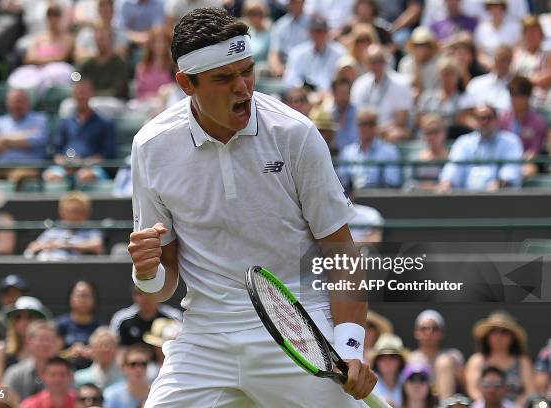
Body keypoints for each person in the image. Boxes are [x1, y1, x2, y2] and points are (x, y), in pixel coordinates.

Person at [128, 7, 377, 406]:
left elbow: (341, 252)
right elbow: (163, 285)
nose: (242, 87)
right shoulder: (151, 146)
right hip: (206, 336)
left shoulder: (296, 133)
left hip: (303, 330)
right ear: (185, 84)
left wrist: (349, 346)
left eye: (247, 70)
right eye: (224, 78)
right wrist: (146, 272)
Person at [44, 80, 116, 187]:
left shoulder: (105, 123)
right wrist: (66, 164)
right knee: (50, 176)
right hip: (66, 167)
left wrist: (83, 163)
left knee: (84, 176)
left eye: (84, 92)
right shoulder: (65, 122)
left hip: (92, 168)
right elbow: (56, 151)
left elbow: (107, 154)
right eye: (78, 92)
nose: (81, 96)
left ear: (92, 95)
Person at [438, 105, 523, 192]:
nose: (484, 122)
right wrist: (446, 182)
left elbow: (510, 172)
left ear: (496, 119)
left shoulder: (510, 141)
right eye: (480, 118)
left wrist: (499, 184)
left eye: (488, 118)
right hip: (465, 199)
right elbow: (453, 168)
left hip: (499, 199)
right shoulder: (463, 142)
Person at [464, 312, 535, 406]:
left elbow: (530, 391)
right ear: (487, 336)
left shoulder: (523, 361)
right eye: (493, 331)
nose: (498, 336)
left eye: (504, 332)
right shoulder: (477, 360)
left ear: (513, 337)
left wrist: (515, 406)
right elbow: (472, 389)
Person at [7, 4, 74, 98]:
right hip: (36, 70)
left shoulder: (68, 38)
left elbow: (61, 57)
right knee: (17, 77)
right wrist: (50, 58)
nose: (53, 19)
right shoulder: (39, 38)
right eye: (50, 15)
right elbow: (28, 58)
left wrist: (39, 59)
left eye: (56, 15)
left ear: (61, 18)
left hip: (57, 71)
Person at [350, 44, 413, 142]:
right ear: (366, 63)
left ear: (386, 62)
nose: (376, 65)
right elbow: (357, 115)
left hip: (389, 133)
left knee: (396, 134)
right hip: (365, 130)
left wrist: (378, 131)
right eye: (372, 61)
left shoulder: (401, 83)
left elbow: (401, 121)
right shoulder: (360, 84)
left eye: (379, 61)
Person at [25, 192, 104, 260]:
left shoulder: (91, 229)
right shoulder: (55, 229)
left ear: (87, 213)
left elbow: (97, 246)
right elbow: (33, 246)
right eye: (70, 211)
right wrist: (47, 245)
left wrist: (65, 245)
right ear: (62, 212)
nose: (74, 215)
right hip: (50, 265)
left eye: (78, 211)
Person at [337, 108, 403, 189]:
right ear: (357, 126)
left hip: (378, 199)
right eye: (363, 124)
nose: (367, 128)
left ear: (376, 126)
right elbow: (342, 181)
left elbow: (392, 182)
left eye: (371, 124)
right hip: (352, 199)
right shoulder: (348, 152)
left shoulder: (390, 152)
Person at [407, 309, 464, 400]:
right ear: (416, 332)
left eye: (434, 329)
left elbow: (464, 385)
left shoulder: (453, 356)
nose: (429, 332)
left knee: (444, 361)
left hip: (447, 402)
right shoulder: (409, 358)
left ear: (441, 333)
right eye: (424, 328)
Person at [0, 296, 51, 382]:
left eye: (30, 317)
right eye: (18, 317)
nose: (23, 322)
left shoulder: (49, 348)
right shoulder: (1, 348)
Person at [282, 16, 347, 92]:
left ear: (327, 32)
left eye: (322, 31)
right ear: (309, 32)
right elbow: (289, 80)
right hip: (304, 96)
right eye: (315, 31)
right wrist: (304, 88)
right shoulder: (298, 52)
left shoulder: (339, 52)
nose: (319, 35)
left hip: (330, 96)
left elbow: (343, 80)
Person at [499, 76, 546, 179]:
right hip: (503, 161)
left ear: (527, 97)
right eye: (513, 95)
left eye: (519, 96)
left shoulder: (537, 122)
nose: (515, 100)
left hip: (525, 162)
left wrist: (517, 162)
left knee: (528, 170)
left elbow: (533, 151)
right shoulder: (502, 119)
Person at [2, 320, 61, 400]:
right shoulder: (15, 373)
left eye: (50, 340)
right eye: (42, 339)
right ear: (29, 341)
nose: (46, 344)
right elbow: (4, 401)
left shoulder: (64, 373)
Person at [417, 58, 475, 137]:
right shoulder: (427, 97)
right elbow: (420, 120)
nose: (446, 77)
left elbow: (462, 120)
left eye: (450, 73)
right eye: (443, 73)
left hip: (453, 138)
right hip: (428, 138)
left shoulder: (465, 98)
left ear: (458, 76)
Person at [112, 286, 181, 347]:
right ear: (134, 296)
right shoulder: (121, 318)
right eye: (140, 293)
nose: (145, 297)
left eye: (150, 293)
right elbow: (115, 348)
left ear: (160, 294)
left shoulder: (174, 317)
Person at [55, 281, 101, 369]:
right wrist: (69, 353)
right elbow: (51, 354)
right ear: (70, 298)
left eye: (86, 295)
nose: (83, 300)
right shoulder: (60, 325)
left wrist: (93, 353)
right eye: (79, 295)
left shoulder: (100, 327)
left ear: (94, 299)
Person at [78, 27, 129, 99]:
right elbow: (79, 79)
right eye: (97, 39)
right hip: (90, 99)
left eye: (102, 39)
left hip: (115, 101)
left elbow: (117, 91)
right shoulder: (89, 64)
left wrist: (93, 94)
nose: (99, 43)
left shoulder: (119, 63)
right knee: (69, 105)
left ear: (110, 40)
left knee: (96, 104)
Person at [74, 0, 128, 65]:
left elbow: (121, 56)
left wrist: (97, 55)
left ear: (113, 11)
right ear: (97, 10)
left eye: (109, 7)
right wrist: (100, 55)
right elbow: (78, 56)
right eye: (101, 6)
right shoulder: (85, 33)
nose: (105, 9)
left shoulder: (121, 34)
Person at [465, 45, 514, 114]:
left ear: (511, 61)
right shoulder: (476, 83)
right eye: (499, 59)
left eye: (506, 60)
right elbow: (465, 110)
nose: (503, 63)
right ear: (494, 60)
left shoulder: (516, 85)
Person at [0, 274, 29, 349]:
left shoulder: (34, 318)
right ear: (1, 298)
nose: (12, 299)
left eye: (15, 294)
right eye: (8, 295)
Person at [267, 0, 310, 77]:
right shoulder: (280, 25)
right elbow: (274, 53)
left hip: (307, 69)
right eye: (291, 1)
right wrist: (278, 68)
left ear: (303, 2)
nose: (293, 4)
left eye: (296, 1)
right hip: (285, 69)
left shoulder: (313, 23)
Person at [473, 0, 521, 66]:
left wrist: (511, 63)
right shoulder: (481, 28)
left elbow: (519, 49)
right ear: (488, 9)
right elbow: (479, 54)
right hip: (487, 67)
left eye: (498, 6)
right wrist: (491, 64)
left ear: (503, 8)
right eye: (492, 7)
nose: (496, 9)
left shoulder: (514, 26)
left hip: (511, 65)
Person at [409, 114, 449, 190]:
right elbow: (408, 183)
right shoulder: (415, 158)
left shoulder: (452, 158)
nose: (432, 137)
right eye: (429, 132)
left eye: (436, 132)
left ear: (444, 133)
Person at [398, 26, 441, 96]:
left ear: (431, 46)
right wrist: (417, 63)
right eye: (417, 45)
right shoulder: (405, 63)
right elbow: (407, 88)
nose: (421, 48)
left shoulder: (438, 63)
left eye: (425, 44)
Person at [370, 333, 407, 407]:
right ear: (376, 361)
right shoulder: (369, 382)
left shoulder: (409, 381)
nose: (387, 361)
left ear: (400, 361)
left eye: (392, 356)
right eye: (382, 357)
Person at [241, 0, 271, 65]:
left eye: (259, 13)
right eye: (252, 13)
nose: (256, 17)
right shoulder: (243, 34)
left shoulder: (271, 34)